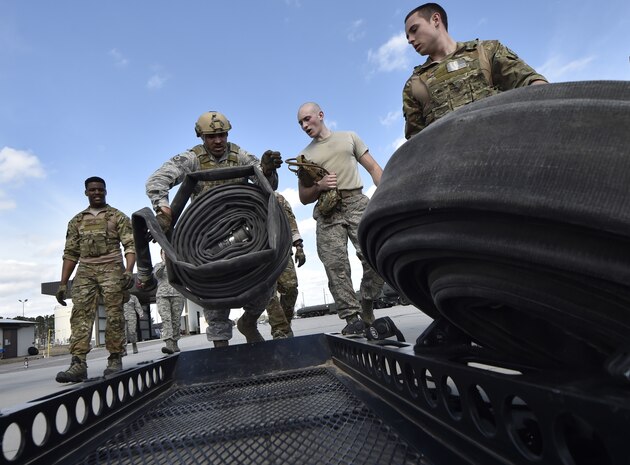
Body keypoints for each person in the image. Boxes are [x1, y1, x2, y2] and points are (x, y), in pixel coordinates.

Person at [145, 110, 282, 347]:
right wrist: (164, 211)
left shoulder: (239, 155)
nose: (218, 141)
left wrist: (268, 171)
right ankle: (221, 350)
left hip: (245, 233)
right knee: (215, 294)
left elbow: (267, 187)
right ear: (201, 136)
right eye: (211, 136)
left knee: (263, 284)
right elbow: (156, 181)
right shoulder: (193, 159)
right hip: (206, 239)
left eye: (222, 135)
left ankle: (249, 322)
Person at [296, 102, 384, 335]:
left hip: (357, 203)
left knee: (375, 256)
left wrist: (386, 193)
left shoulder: (349, 138)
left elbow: (374, 168)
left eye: (307, 119)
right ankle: (351, 318)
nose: (305, 125)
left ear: (321, 115)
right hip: (328, 213)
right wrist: (319, 186)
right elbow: (304, 197)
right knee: (336, 267)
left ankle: (366, 303)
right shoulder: (304, 156)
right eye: (300, 123)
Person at [403, 3, 548, 139]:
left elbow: (534, 85)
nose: (410, 39)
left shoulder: (486, 51)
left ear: (435, 20)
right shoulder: (413, 84)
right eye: (408, 36)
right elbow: (416, 143)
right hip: (452, 161)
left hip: (508, 145)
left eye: (414, 30)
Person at [55, 176, 135, 382]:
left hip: (112, 268)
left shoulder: (117, 216)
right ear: (86, 192)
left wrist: (128, 271)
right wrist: (63, 283)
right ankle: (78, 364)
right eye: (93, 190)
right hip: (86, 270)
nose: (97, 193)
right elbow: (70, 253)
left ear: (106, 191)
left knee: (114, 314)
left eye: (100, 189)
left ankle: (115, 359)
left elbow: (130, 245)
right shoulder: (76, 221)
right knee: (80, 315)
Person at [265, 192, 306, 339]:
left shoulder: (277, 198)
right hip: (259, 253)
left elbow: (290, 220)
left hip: (282, 250)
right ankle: (279, 330)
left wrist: (299, 246)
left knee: (290, 288)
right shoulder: (245, 196)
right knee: (267, 292)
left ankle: (285, 326)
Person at [154, 249, 186, 354]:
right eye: (164, 253)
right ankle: (168, 344)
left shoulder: (178, 264)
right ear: (161, 255)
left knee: (176, 320)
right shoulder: (158, 265)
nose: (166, 254)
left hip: (177, 295)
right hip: (162, 296)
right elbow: (157, 275)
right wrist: (164, 262)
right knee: (166, 319)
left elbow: (184, 277)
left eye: (167, 252)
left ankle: (175, 343)